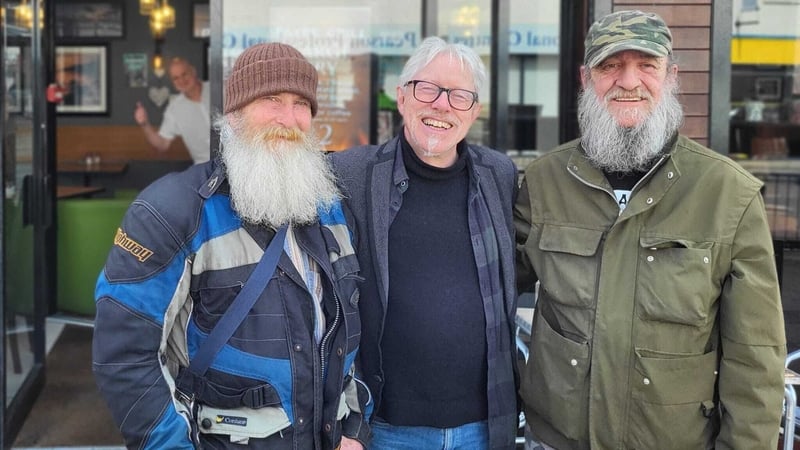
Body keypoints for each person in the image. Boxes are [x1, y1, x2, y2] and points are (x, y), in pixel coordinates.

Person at [514, 10, 786, 449]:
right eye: (610, 66)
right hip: (556, 441)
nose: (628, 80)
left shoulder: (726, 194)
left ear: (671, 75)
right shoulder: (546, 182)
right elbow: (482, 290)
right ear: (586, 78)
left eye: (646, 64)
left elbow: (755, 355)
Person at [93, 42, 370, 450]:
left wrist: (354, 429)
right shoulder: (171, 211)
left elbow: (349, 329)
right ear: (235, 114)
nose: (288, 118)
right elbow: (124, 356)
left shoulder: (332, 210)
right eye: (271, 100)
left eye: (300, 104)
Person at [330, 36, 519, 449]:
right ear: (401, 98)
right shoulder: (351, 175)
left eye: (459, 95)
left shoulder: (499, 176)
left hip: (482, 427)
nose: (441, 105)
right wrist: (341, 420)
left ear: (475, 112)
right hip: (385, 427)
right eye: (427, 88)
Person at [134, 57, 211, 164]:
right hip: (206, 168)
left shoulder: (220, 88)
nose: (182, 80)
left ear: (193, 71)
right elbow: (163, 144)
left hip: (237, 160)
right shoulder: (174, 109)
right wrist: (145, 124)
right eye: (176, 78)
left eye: (184, 74)